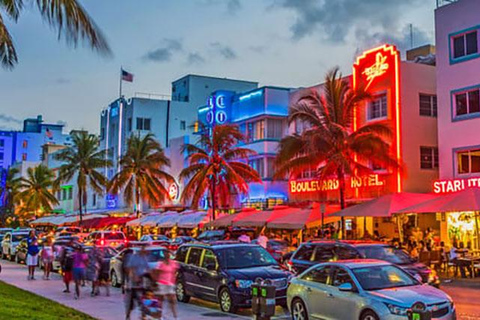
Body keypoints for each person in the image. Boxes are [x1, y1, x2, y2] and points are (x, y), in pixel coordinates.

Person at [125, 245, 150, 320]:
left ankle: (143, 315)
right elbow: (130, 269)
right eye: (143, 249)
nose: (145, 251)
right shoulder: (134, 257)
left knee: (143, 300)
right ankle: (128, 315)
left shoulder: (144, 258)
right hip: (133, 284)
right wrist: (134, 277)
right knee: (131, 302)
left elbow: (147, 268)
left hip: (142, 282)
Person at [154, 250, 178, 319]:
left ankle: (174, 316)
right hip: (162, 283)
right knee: (160, 300)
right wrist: (156, 283)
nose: (167, 255)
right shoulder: (161, 263)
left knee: (172, 300)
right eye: (165, 254)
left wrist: (174, 281)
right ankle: (160, 315)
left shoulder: (173, 263)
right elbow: (157, 273)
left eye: (168, 254)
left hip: (170, 283)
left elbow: (174, 272)